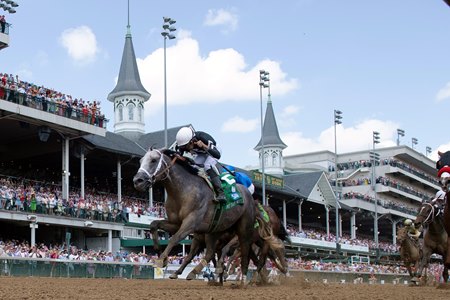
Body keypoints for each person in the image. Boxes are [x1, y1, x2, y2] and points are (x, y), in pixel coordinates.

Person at [175, 126, 225, 203]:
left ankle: (221, 193)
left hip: (213, 152)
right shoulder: (184, 143)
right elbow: (179, 156)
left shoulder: (203, 137)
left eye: (186, 146)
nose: (185, 149)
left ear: (192, 141)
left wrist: (204, 146)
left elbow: (217, 155)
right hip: (202, 154)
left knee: (207, 165)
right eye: (183, 147)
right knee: (193, 166)